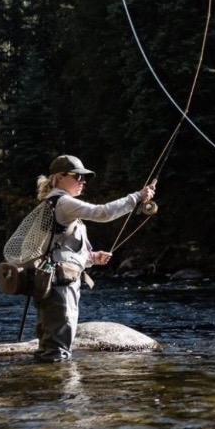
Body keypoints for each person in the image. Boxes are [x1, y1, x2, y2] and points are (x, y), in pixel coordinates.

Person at [33, 154, 156, 362]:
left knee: (49, 344)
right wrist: (137, 197)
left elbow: (58, 245)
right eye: (77, 176)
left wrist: (91, 258)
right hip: (60, 284)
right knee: (58, 349)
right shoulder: (62, 202)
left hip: (54, 281)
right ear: (59, 178)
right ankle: (61, 392)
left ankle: (46, 389)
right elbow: (103, 213)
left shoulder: (56, 203)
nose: (83, 181)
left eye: (84, 177)